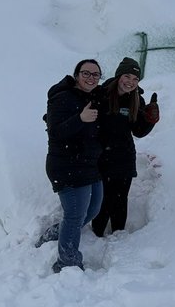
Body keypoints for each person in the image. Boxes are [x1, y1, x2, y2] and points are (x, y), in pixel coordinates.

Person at [44, 59, 105, 273]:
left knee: (93, 209)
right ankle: (67, 262)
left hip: (88, 164)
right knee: (75, 215)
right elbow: (55, 132)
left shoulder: (93, 96)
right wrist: (80, 118)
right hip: (66, 166)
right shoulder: (62, 97)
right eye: (86, 73)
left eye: (96, 74)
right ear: (77, 75)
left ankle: (55, 233)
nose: (91, 78)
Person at [90, 56, 159, 238]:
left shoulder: (136, 99)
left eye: (136, 79)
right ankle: (96, 236)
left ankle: (119, 237)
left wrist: (150, 120)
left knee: (120, 200)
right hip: (101, 157)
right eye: (127, 76)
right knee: (102, 200)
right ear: (119, 75)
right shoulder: (100, 94)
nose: (131, 82)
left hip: (124, 157)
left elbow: (138, 131)